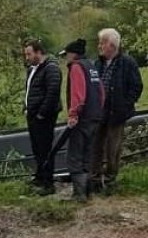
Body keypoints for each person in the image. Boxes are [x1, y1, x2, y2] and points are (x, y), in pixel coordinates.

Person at [91, 29, 143, 195]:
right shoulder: (97, 63)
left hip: (117, 112)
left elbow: (136, 86)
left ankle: (111, 179)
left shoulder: (127, 63)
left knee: (113, 148)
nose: (99, 46)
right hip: (99, 112)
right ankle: (95, 180)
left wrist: (126, 105)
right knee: (95, 146)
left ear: (111, 45)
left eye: (102, 43)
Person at [58, 39, 104, 202]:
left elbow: (78, 94)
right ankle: (88, 191)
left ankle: (79, 195)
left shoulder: (77, 67)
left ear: (72, 54)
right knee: (87, 155)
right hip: (95, 116)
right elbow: (101, 92)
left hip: (82, 118)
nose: (65, 60)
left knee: (75, 156)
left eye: (66, 56)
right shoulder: (91, 66)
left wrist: (73, 114)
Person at [22, 39, 61, 196]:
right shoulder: (33, 69)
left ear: (39, 52)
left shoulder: (51, 68)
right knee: (37, 148)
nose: (27, 57)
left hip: (43, 115)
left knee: (45, 148)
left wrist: (42, 113)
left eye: (29, 54)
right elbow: (30, 89)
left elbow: (52, 92)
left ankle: (48, 182)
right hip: (32, 113)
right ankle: (39, 176)